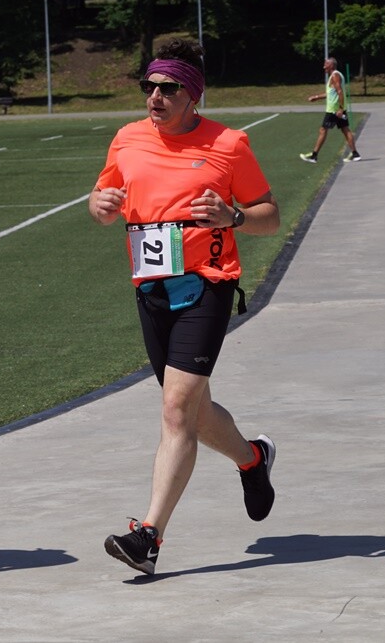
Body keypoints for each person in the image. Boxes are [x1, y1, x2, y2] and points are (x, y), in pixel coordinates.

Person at [88, 38, 280, 577]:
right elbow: (104, 201)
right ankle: (252, 458)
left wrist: (233, 217)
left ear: (193, 96)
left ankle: (147, 537)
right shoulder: (127, 139)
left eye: (168, 88)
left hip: (207, 287)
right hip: (152, 291)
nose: (154, 96)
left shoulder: (228, 144)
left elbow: (268, 215)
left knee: (175, 411)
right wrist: (99, 205)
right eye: (148, 87)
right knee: (193, 412)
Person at [299, 56, 362, 164]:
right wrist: (317, 97)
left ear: (331, 65)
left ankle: (314, 156)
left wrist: (340, 109)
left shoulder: (335, 76)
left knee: (323, 130)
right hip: (339, 110)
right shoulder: (335, 75)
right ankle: (355, 154)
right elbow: (330, 93)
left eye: (326, 64)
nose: (324, 67)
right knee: (345, 130)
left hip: (334, 110)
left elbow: (340, 92)